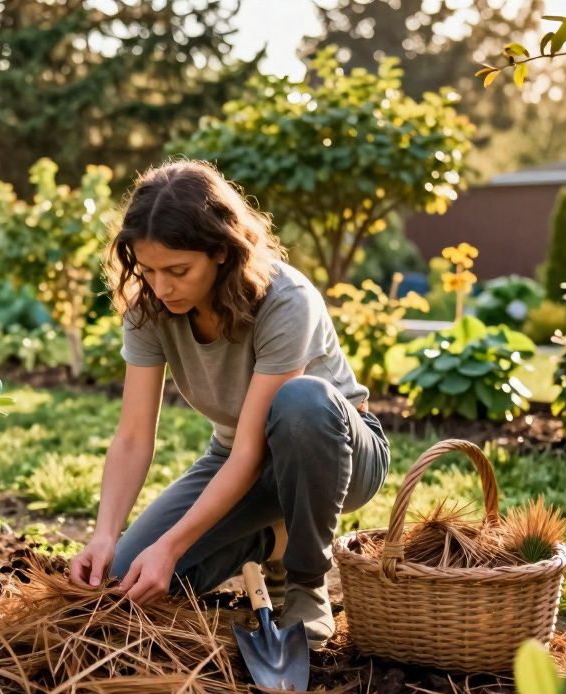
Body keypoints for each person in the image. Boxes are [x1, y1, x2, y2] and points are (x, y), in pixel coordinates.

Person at [67, 160, 391, 647]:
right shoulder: (149, 309)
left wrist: (173, 545)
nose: (162, 286)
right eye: (149, 269)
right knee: (127, 582)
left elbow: (253, 449)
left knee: (302, 400)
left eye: (179, 270)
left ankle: (306, 581)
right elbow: (134, 436)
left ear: (221, 251)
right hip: (236, 459)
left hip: (335, 452)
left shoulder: (287, 300)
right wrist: (105, 534)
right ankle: (272, 544)